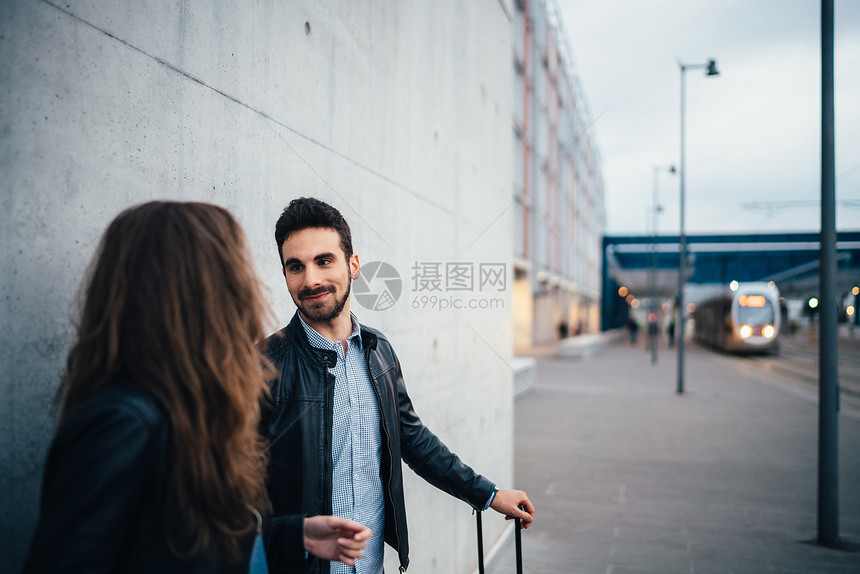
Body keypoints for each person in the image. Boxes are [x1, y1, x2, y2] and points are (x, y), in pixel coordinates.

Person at [22, 201, 370, 574]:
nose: (246, 288)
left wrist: (289, 535)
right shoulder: (124, 421)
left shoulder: (187, 404)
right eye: (231, 270)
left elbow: (181, 542)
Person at [263, 197, 535, 574]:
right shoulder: (262, 366)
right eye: (296, 267)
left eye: (324, 261)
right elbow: (230, 505)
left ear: (353, 265)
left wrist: (487, 494)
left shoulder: (379, 353)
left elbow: (413, 439)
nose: (311, 280)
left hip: (373, 567)